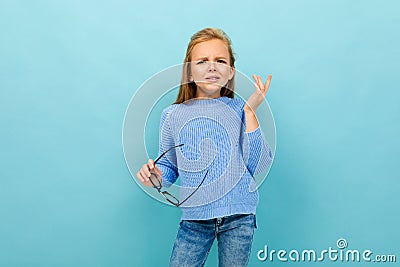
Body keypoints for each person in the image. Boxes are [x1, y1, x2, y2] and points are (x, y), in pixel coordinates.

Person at [136, 28, 273, 267]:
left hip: (239, 218)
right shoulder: (172, 115)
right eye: (202, 61)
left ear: (230, 71)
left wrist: (250, 112)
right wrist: (156, 176)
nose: (212, 67)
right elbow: (169, 167)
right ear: (189, 71)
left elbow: (259, 164)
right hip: (195, 221)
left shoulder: (240, 109)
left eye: (220, 61)